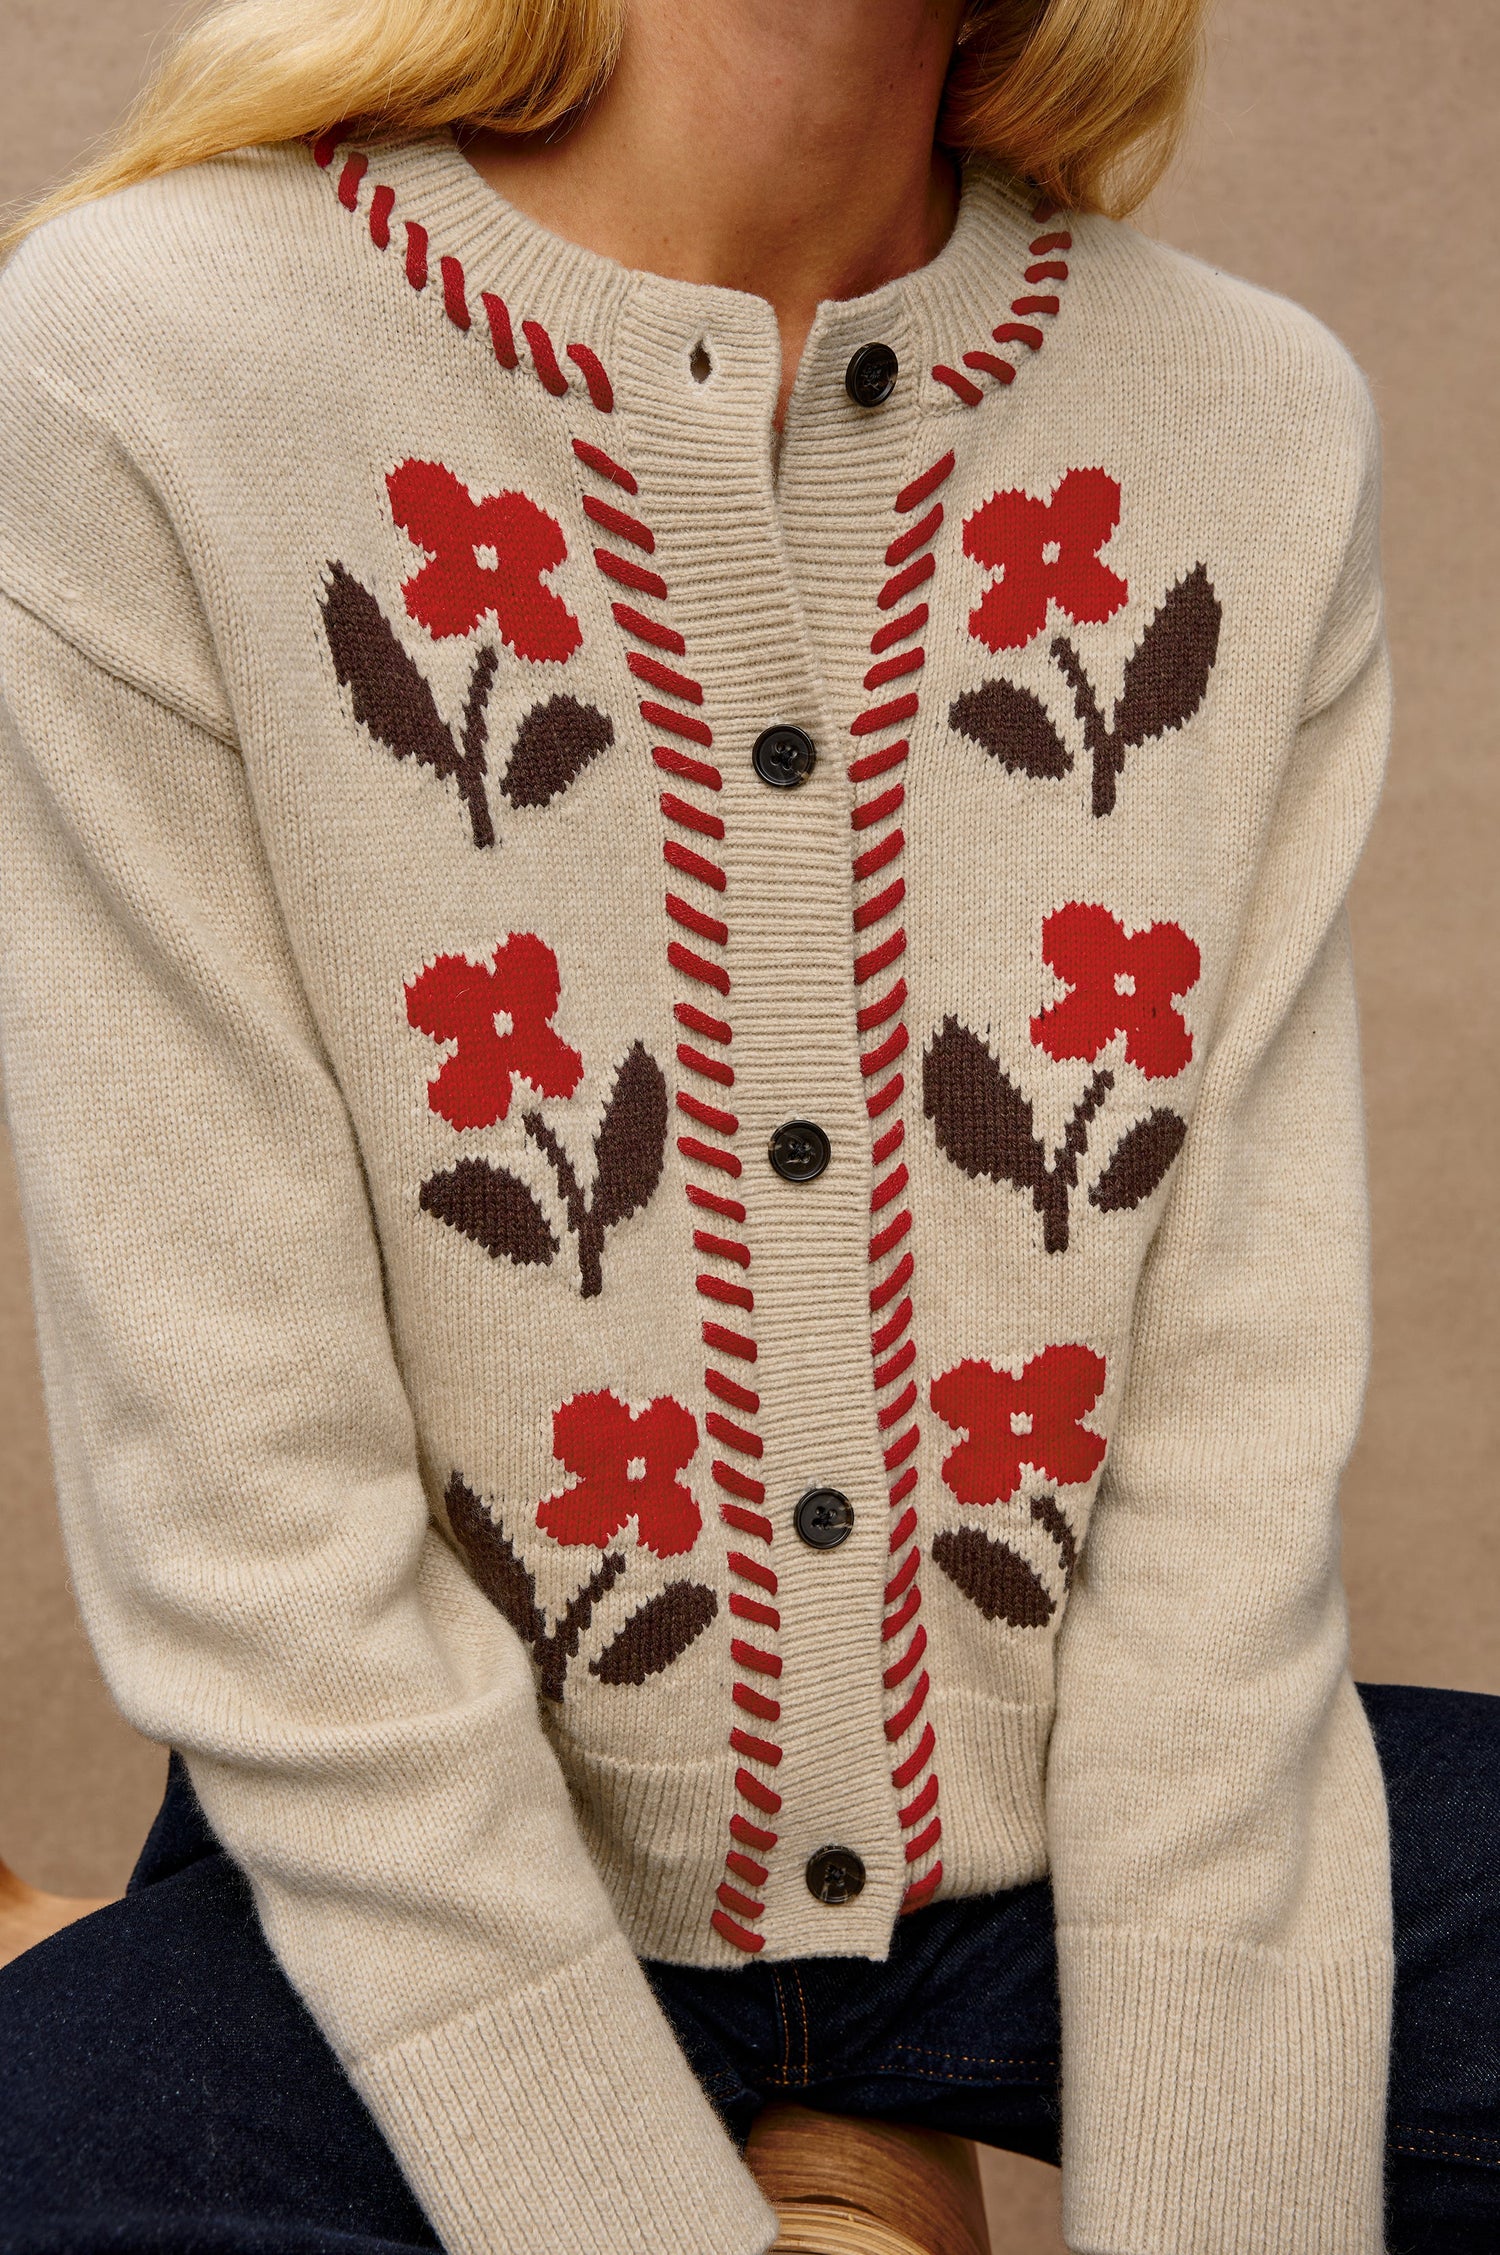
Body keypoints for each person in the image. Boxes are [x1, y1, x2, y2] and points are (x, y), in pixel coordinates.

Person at [0, 1, 1493, 2250]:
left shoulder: (1248, 421)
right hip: (439, 1855)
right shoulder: (148, 361)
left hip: (1081, 1857)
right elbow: (245, 1499)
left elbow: (1224, 1464)